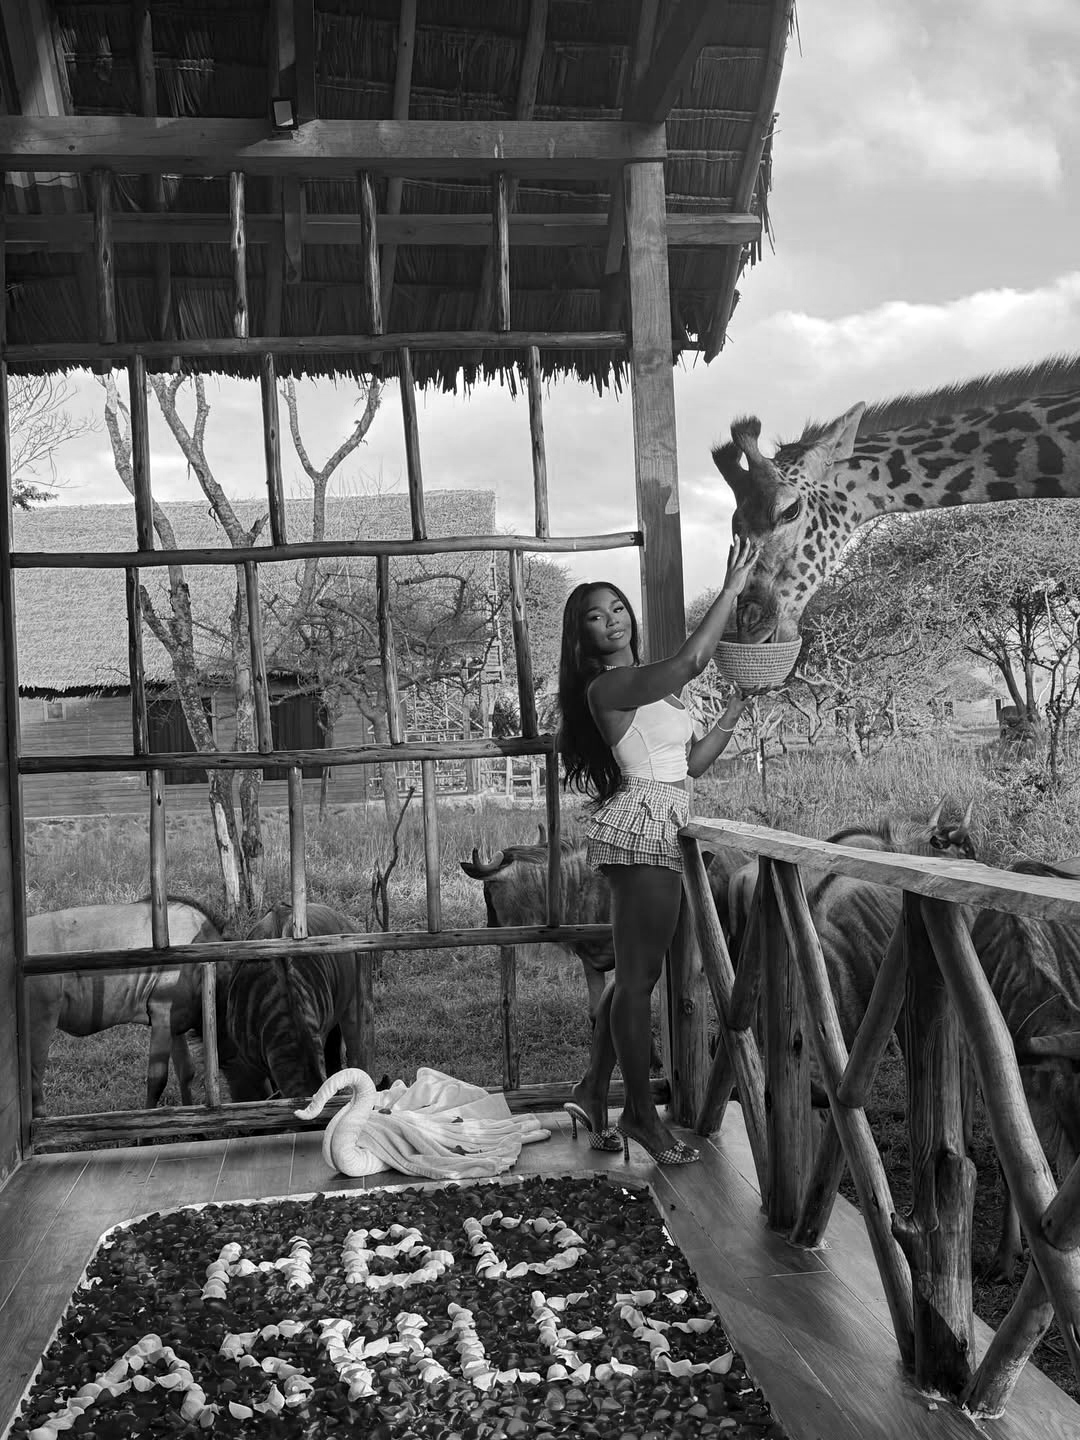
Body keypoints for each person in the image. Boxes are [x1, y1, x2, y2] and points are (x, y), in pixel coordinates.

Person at [557, 537, 759, 1166]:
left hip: (667, 813)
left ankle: (593, 1092)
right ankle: (641, 1115)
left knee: (634, 975)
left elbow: (690, 764)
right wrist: (731, 588)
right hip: (645, 824)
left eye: (617, 607)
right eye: (596, 616)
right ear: (583, 637)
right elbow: (694, 659)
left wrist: (734, 709)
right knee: (640, 980)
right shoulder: (610, 686)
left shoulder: (654, 689)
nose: (612, 620)